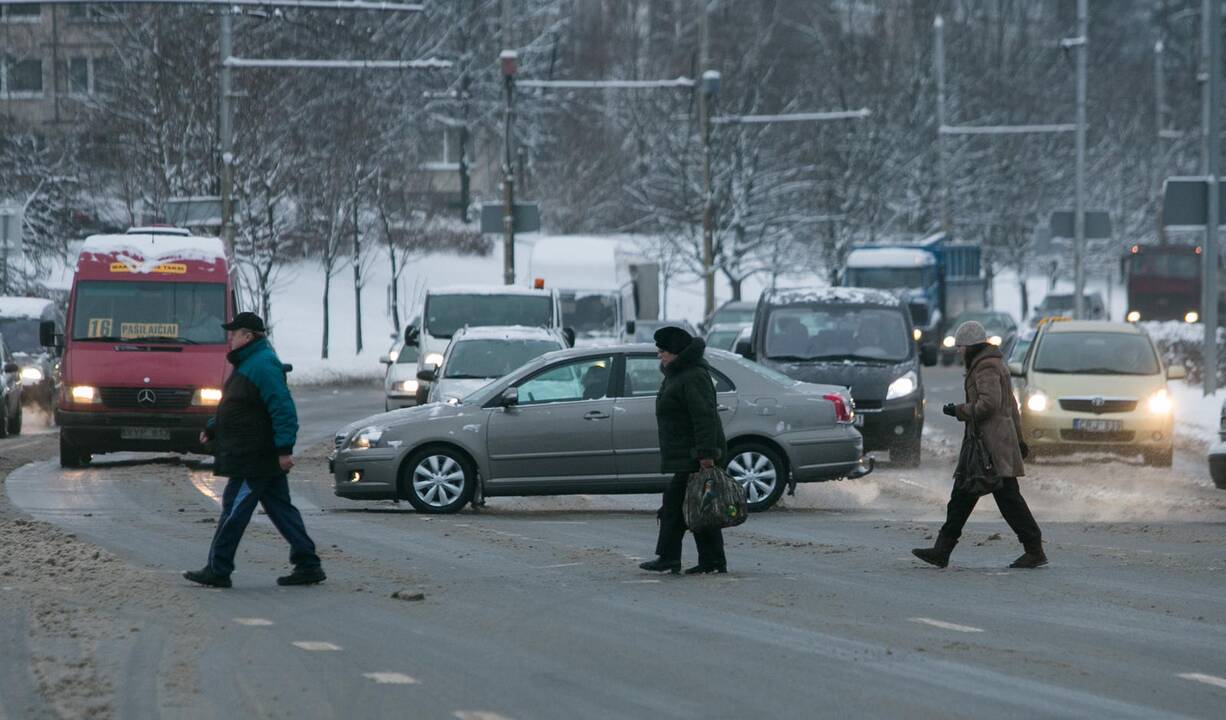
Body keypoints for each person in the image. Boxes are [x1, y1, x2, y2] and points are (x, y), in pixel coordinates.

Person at [184, 312, 325, 588]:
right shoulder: (250, 362)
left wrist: (284, 450)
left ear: (248, 336)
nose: (230, 338)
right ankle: (308, 564)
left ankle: (218, 569)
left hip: (255, 456)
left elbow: (283, 409)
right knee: (281, 509)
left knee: (233, 510)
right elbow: (240, 407)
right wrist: (213, 427)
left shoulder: (262, 365)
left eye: (234, 334)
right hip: (256, 455)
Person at [912, 320, 1047, 570]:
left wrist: (959, 411)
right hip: (991, 444)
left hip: (989, 446)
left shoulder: (985, 368)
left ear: (972, 346)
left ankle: (1034, 549)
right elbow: (1011, 408)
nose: (958, 351)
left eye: (961, 346)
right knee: (967, 497)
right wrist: (1018, 439)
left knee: (1001, 499)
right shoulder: (990, 364)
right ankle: (943, 550)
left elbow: (990, 404)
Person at [639, 326, 729, 575]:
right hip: (689, 454)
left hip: (696, 456)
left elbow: (704, 418)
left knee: (687, 504)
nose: (660, 355)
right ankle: (709, 560)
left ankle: (673, 558)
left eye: (663, 350)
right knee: (696, 505)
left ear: (676, 352)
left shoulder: (693, 376)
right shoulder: (677, 374)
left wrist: (706, 455)